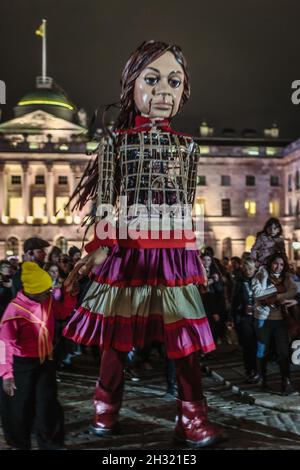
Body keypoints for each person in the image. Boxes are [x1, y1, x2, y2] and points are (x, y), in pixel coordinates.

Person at [63, 40, 224, 448]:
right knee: (115, 341)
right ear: (131, 85)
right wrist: (98, 245)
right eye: (152, 80)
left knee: (184, 344)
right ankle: (106, 409)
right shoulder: (116, 143)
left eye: (174, 81)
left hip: (172, 253)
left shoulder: (188, 147)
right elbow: (105, 200)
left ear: (184, 89)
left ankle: (191, 416)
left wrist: (194, 254)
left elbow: (187, 206)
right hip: (128, 249)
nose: (164, 91)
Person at [0, 262, 78, 450]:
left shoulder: (47, 299)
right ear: (30, 291)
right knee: (19, 407)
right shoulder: (14, 311)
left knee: (47, 403)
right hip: (20, 365)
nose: (48, 294)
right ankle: (20, 443)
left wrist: (70, 295)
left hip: (45, 361)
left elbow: (62, 313)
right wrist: (6, 375)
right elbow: (4, 346)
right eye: (44, 291)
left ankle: (51, 442)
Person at [252, 253, 298, 395]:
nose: (278, 267)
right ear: (270, 263)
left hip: (281, 319)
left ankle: (286, 381)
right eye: (275, 263)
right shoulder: (260, 274)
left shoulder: (287, 277)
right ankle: (262, 378)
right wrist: (276, 289)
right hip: (262, 318)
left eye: (282, 264)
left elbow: (294, 291)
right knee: (262, 350)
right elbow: (257, 294)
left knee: (283, 351)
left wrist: (275, 296)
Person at [230, 258, 258, 383]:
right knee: (248, 346)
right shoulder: (239, 282)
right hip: (245, 318)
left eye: (250, 268)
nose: (248, 271)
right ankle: (250, 370)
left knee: (259, 345)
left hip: (259, 317)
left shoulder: (260, 281)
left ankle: (259, 370)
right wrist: (240, 309)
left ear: (255, 269)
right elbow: (234, 302)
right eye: (246, 269)